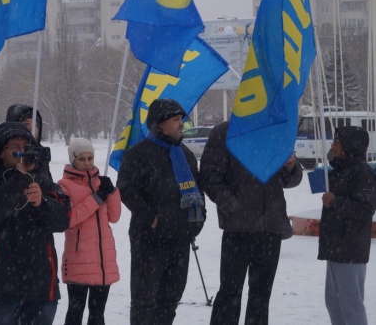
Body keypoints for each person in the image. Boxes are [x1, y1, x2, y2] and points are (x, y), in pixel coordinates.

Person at [199, 120, 302, 325]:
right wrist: (234, 206)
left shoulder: (274, 130)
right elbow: (210, 178)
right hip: (238, 228)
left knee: (261, 295)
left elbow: (289, 180)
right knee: (230, 292)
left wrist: (291, 167)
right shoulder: (224, 133)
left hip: (270, 227)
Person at [116, 98, 206, 325]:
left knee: (170, 300)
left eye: (181, 120)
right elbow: (126, 190)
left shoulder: (184, 154)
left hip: (180, 239)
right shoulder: (139, 153)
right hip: (149, 240)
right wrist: (152, 219)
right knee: (145, 301)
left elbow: (197, 188)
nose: (181, 125)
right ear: (159, 124)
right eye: (176, 120)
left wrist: (198, 220)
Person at [0, 122, 70, 325]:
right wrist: (19, 178)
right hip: (1, 284)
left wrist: (41, 203)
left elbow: (63, 219)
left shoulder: (42, 178)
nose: (21, 152)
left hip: (41, 283)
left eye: (25, 147)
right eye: (14, 147)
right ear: (1, 152)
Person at [57, 138, 121, 325]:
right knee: (75, 312)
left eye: (90, 158)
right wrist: (96, 198)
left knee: (97, 315)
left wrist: (112, 192)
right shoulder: (64, 185)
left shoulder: (100, 182)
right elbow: (70, 218)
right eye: (82, 159)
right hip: (79, 259)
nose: (86, 163)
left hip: (102, 260)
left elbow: (114, 217)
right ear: (73, 160)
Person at [319, 126, 376, 325]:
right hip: (335, 246)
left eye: (337, 142)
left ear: (349, 147)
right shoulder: (340, 169)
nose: (332, 145)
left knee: (351, 305)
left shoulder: (363, 173)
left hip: (350, 248)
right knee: (334, 302)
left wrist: (334, 202)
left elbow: (364, 209)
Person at [5, 103, 52, 180]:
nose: (32, 128)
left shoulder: (39, 154)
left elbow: (50, 187)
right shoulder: (3, 154)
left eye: (36, 124)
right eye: (26, 124)